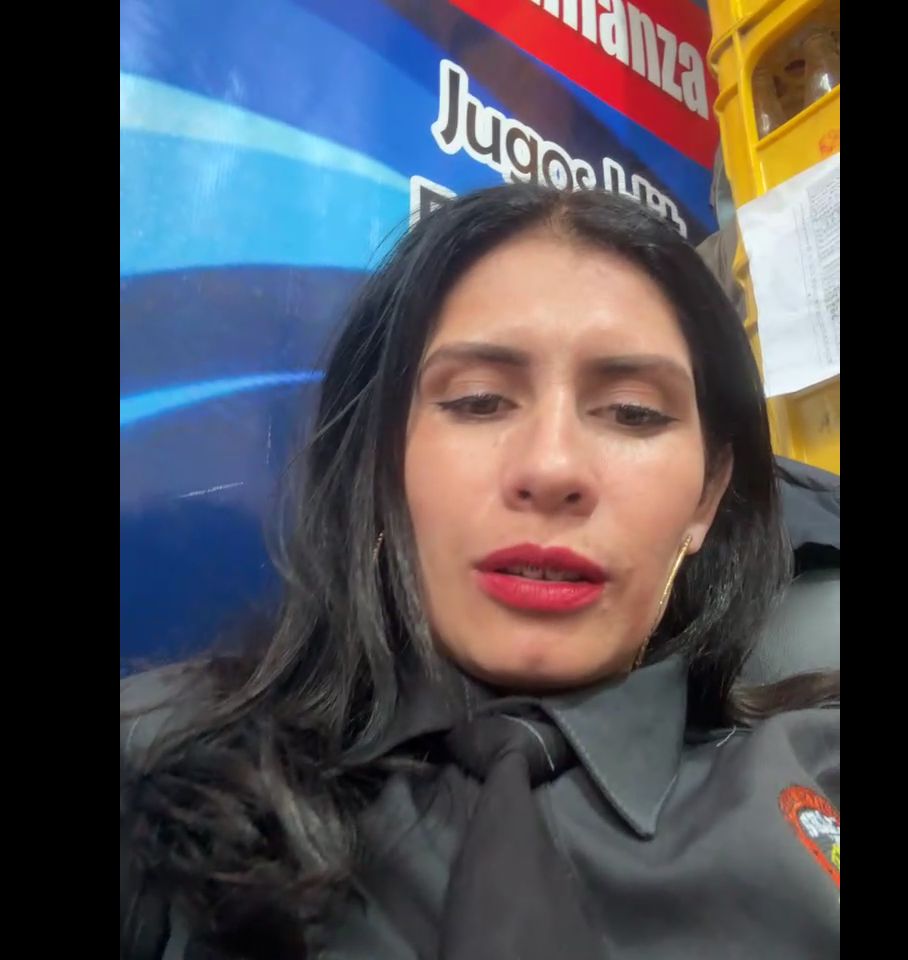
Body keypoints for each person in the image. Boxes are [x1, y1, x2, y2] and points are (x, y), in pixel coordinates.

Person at [121, 183, 840, 960]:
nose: (552, 467)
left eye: (633, 412)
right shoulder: (153, 760)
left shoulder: (818, 768)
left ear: (706, 497)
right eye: (478, 400)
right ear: (382, 465)